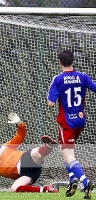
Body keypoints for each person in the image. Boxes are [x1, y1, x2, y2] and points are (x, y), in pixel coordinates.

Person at [47, 50, 96, 199]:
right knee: (65, 152)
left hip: (66, 123)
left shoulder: (58, 79)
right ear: (73, 61)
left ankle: (85, 181)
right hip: (80, 121)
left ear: (60, 62)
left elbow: (50, 103)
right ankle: (71, 180)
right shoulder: (83, 77)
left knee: (68, 155)